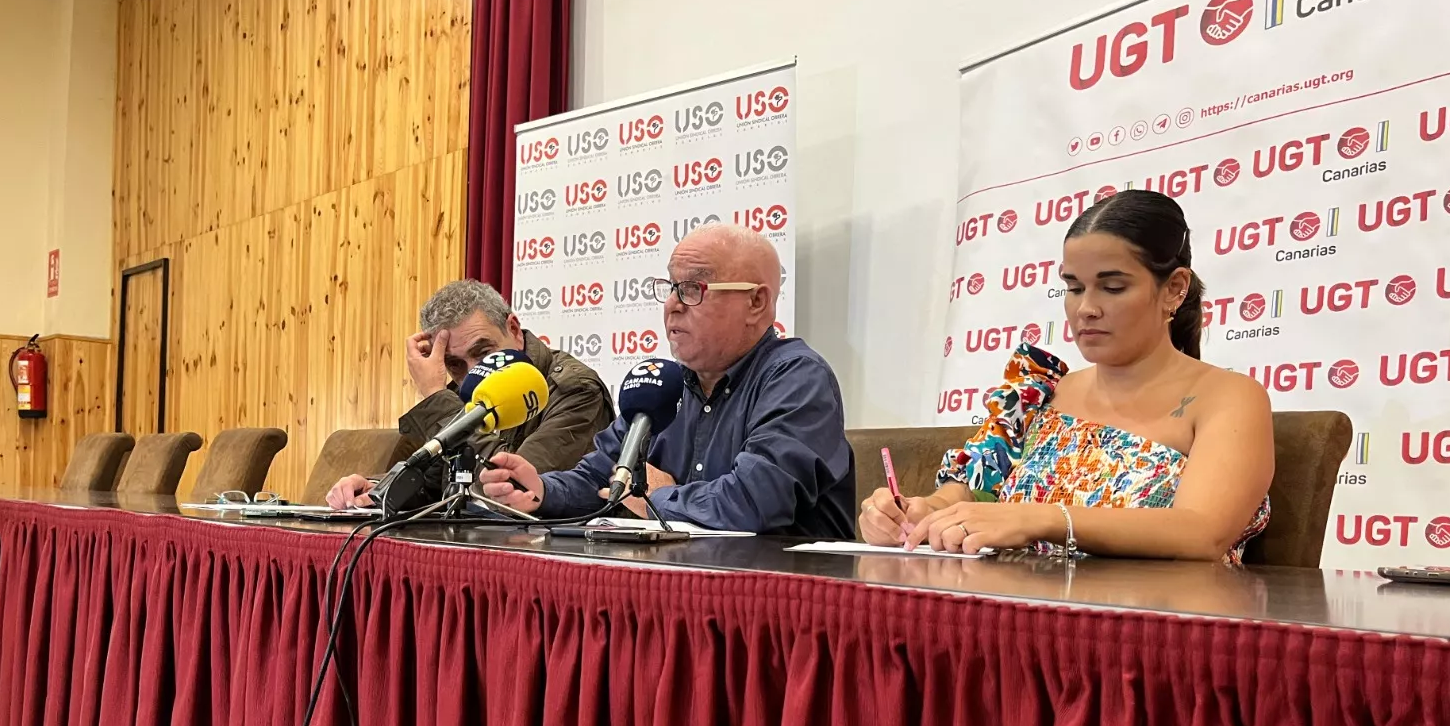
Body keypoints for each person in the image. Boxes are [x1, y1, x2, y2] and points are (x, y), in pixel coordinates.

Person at [860, 190, 1273, 562]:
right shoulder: (1036, 392)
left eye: (1113, 288)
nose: (1086, 309)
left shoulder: (1227, 397)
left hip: (1152, 616)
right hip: (1008, 607)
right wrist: (917, 514)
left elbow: (1201, 532)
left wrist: (1041, 519)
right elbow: (966, 492)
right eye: (1074, 288)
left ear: (1174, 289)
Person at [480, 224, 856, 537]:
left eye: (692, 289)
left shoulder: (796, 377)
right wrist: (543, 491)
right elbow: (602, 477)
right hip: (675, 583)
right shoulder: (661, 387)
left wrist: (656, 497)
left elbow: (754, 502)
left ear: (756, 303)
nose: (672, 305)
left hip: (776, 593)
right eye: (671, 287)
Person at [327, 279, 612, 508]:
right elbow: (437, 484)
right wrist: (378, 489)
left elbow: (512, 491)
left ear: (513, 330)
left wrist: (435, 397)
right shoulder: (461, 392)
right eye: (454, 364)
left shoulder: (576, 388)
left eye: (484, 352)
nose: (475, 372)